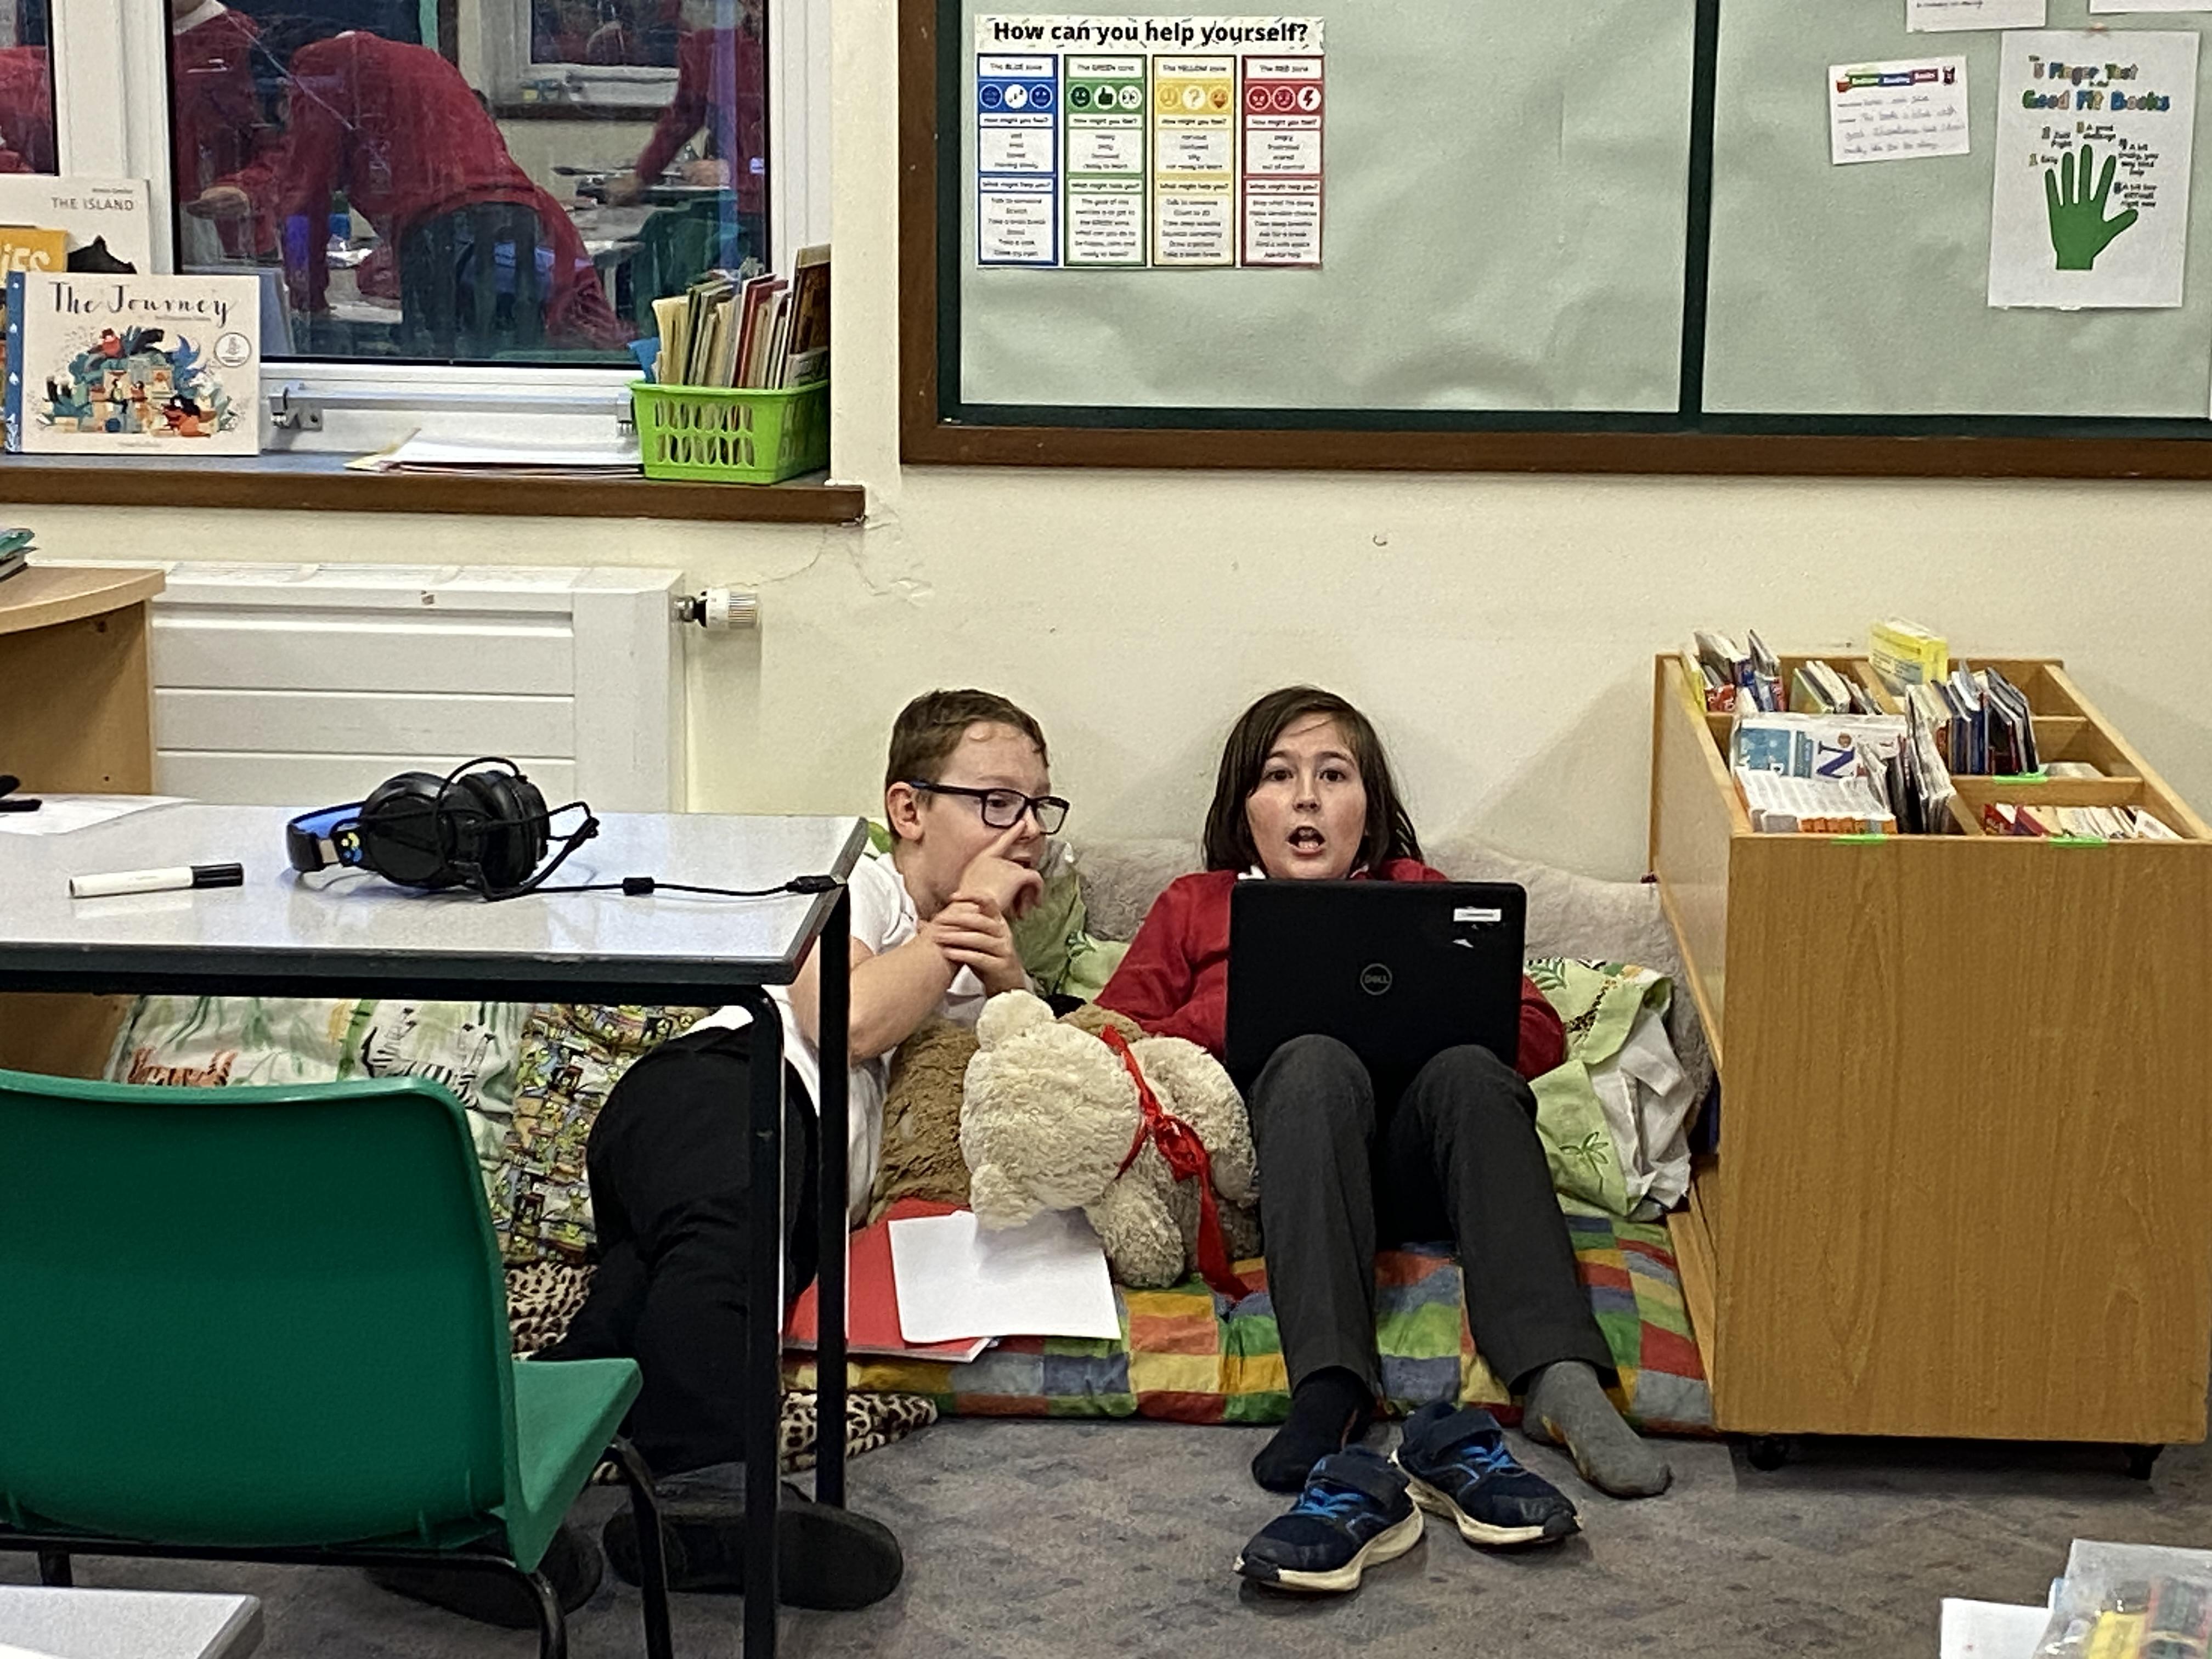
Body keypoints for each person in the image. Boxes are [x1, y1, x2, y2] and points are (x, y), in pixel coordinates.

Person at [1098, 688, 1670, 1582]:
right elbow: (1114, 1039)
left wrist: (1437, 1017)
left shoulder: (1417, 896)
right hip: (1284, 1168)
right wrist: (1260, 1007)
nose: (1306, 797)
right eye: (1279, 776)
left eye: (1334, 776)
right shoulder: (1197, 904)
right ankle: (1330, 1385)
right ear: (1243, 808)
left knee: (1470, 1070)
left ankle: (1559, 1374)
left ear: (1369, 809)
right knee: (1312, 1059)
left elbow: (1537, 1030)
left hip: (1420, 1165)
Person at [524, 689, 1065, 1609]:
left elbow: (1047, 1095)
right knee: (724, 1247)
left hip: (800, 1176)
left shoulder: (972, 960)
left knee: (631, 1307)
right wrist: (964, 914)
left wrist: (1012, 978)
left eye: (1040, 806)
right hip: (724, 1083)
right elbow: (842, 1019)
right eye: (996, 802)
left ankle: (476, 1514)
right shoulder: (861, 887)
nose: (1026, 831)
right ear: (907, 808)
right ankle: (712, 1493)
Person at [189, 21, 628, 352]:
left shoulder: (320, 65)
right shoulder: (420, 62)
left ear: (286, 85)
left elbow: (306, 192)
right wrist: (250, 190)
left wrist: (308, 305)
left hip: (445, 233)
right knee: (510, 362)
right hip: (517, 219)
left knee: (441, 371)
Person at [606, 0, 765, 246]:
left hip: (782, 211)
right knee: (656, 240)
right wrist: (642, 176)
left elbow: (798, 165)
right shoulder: (712, 48)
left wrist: (733, 174)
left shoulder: (806, 54)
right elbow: (683, 118)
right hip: (737, 207)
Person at [171, 0, 275, 261]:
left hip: (226, 231)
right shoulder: (123, 39)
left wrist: (247, 188)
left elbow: (285, 144)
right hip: (144, 224)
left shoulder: (240, 39)